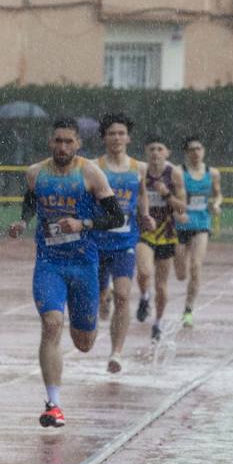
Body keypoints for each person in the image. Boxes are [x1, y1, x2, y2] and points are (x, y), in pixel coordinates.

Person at [8, 118, 124, 428]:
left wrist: (83, 224)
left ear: (78, 144)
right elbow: (30, 205)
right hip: (50, 264)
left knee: (84, 342)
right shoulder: (36, 174)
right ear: (50, 142)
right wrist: (22, 222)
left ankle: (102, 299)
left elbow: (116, 217)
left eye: (68, 142)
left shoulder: (89, 173)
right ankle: (53, 404)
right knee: (51, 325)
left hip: (84, 263)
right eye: (58, 141)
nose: (63, 147)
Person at [91, 113, 151, 373]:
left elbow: (143, 196)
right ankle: (103, 299)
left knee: (124, 296)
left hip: (125, 242)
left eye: (121, 133)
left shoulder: (140, 168)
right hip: (96, 242)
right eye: (112, 133)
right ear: (104, 138)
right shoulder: (94, 166)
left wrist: (145, 215)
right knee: (101, 295)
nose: (117, 138)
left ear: (128, 137)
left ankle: (116, 353)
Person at [134, 137, 187, 341]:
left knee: (162, 285)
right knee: (145, 271)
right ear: (146, 152)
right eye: (152, 149)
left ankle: (157, 322)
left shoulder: (174, 174)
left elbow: (182, 208)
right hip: (144, 231)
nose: (155, 153)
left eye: (160, 149)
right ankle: (144, 297)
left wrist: (165, 195)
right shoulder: (140, 172)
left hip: (166, 234)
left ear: (167, 152)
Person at [175, 135, 221, 328]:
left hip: (202, 223)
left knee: (196, 266)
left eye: (199, 149)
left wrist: (217, 205)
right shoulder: (178, 172)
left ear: (204, 151)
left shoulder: (213, 173)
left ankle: (188, 309)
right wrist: (177, 211)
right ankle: (182, 274)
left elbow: (218, 194)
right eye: (192, 149)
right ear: (186, 153)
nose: (196, 153)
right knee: (180, 273)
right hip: (181, 224)